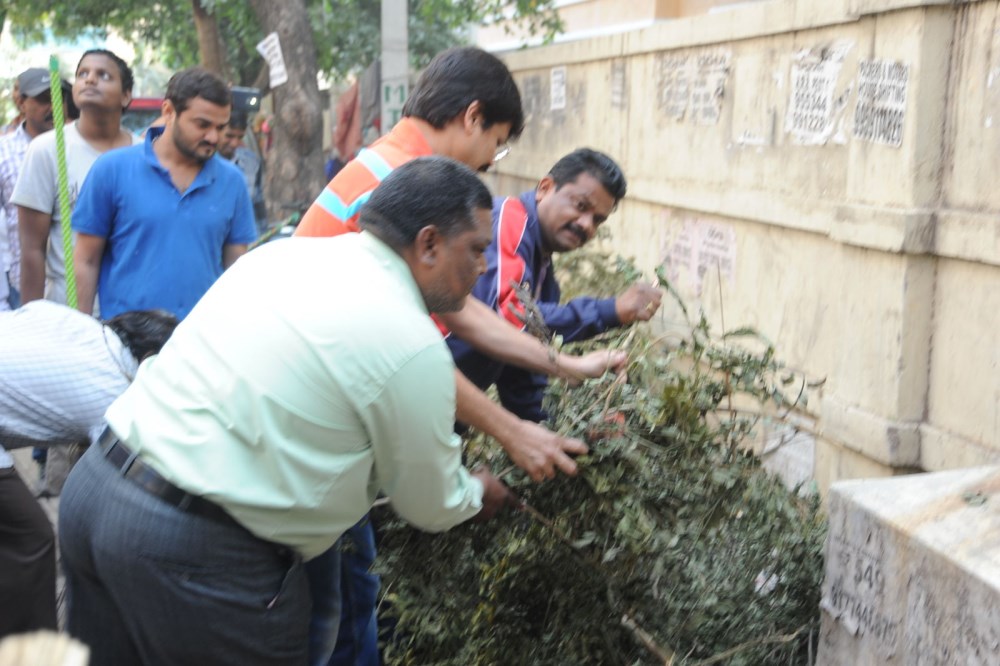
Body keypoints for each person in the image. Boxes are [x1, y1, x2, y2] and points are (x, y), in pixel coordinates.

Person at [59, 157, 515, 665]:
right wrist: (477, 490)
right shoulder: (412, 343)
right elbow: (431, 504)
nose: (481, 267)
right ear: (428, 243)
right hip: (194, 549)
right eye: (475, 250)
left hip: (96, 490)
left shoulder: (280, 258)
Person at [295, 46, 628, 666]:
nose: (490, 162)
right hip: (317, 449)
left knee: (352, 603)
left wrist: (563, 365)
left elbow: (458, 310)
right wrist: (510, 434)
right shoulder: (401, 185)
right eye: (497, 144)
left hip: (334, 441)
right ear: (473, 118)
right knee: (337, 625)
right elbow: (415, 353)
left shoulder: (393, 168)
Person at [0, 301, 178, 639]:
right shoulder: (117, 392)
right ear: (151, 360)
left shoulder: (78, 325)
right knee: (30, 539)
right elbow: (124, 480)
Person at [450, 148, 662, 424]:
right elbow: (510, 317)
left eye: (598, 220)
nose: (586, 224)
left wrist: (570, 430)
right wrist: (610, 311)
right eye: (580, 205)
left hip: (449, 414)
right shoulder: (509, 220)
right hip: (418, 398)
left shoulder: (544, 276)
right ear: (545, 188)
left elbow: (521, 378)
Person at [73, 67, 257, 320]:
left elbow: (235, 268)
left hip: (201, 340)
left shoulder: (232, 182)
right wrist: (81, 331)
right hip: (126, 340)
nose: (213, 137)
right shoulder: (111, 169)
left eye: (220, 127)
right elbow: (86, 260)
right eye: (202, 125)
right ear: (169, 112)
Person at [12, 49, 138, 307]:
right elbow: (32, 250)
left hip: (130, 312)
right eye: (83, 74)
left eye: (103, 75)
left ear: (126, 95)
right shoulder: (46, 149)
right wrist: (32, 320)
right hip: (65, 310)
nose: (90, 80)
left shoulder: (144, 153)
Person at [0, 68, 59, 310]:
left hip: (69, 284)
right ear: (21, 103)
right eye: (44, 99)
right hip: (18, 286)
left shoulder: (74, 148)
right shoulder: (4, 152)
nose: (53, 106)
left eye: (57, 97)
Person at [217, 110, 265, 232]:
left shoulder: (252, 162)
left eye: (240, 137)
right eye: (229, 136)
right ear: (216, 132)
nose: (234, 143)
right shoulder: (198, 163)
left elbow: (257, 203)